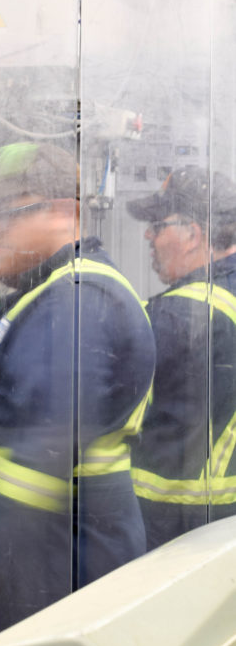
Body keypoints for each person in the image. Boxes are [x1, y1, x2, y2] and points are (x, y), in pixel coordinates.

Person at [0, 142, 156, 642]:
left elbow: (43, 452)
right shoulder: (49, 297)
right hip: (42, 580)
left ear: (63, 212)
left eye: (6, 213)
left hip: (53, 589)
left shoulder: (77, 301)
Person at [127, 166, 236, 550]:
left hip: (175, 530)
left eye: (157, 225)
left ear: (194, 234)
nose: (148, 235)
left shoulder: (181, 316)